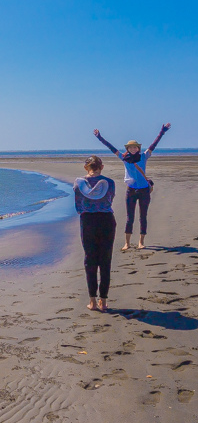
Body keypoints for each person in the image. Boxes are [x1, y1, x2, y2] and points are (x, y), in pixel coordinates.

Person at [94, 123, 171, 250]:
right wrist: (99, 137)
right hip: (131, 190)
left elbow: (154, 144)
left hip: (144, 190)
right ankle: (127, 243)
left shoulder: (143, 157)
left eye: (135, 147)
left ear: (138, 148)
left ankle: (141, 242)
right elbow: (111, 147)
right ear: (128, 149)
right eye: (131, 147)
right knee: (130, 217)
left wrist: (162, 131)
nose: (133, 149)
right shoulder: (124, 158)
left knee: (143, 216)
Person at [73, 155, 117, 312]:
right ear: (101, 167)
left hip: (88, 221)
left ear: (86, 168)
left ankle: (92, 301)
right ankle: (103, 302)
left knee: (90, 260)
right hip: (106, 220)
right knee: (105, 260)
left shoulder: (78, 184)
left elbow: (78, 206)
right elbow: (110, 200)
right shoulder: (109, 183)